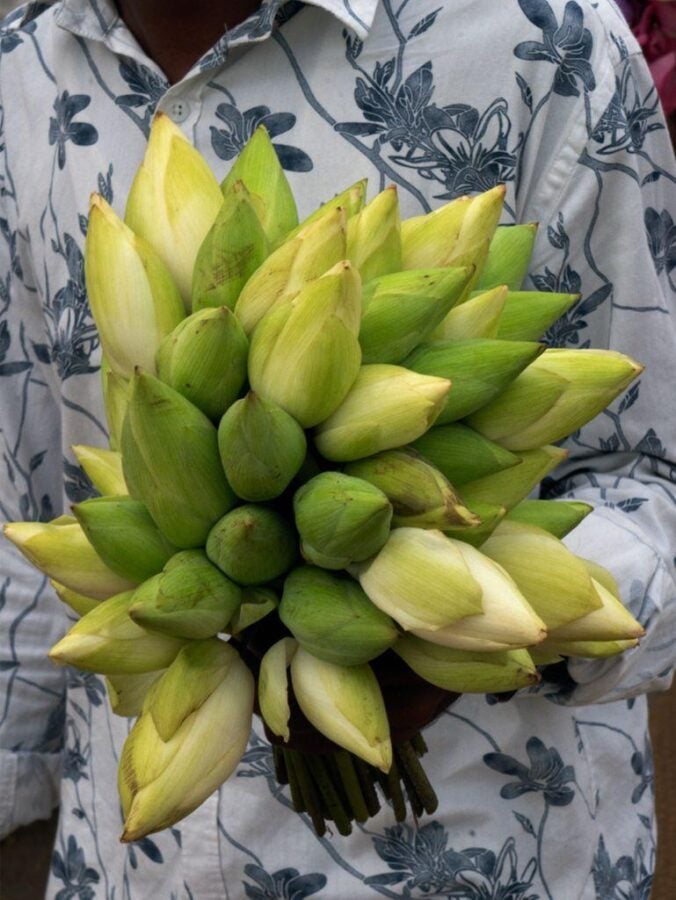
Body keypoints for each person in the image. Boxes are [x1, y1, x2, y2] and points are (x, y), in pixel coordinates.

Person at [0, 0, 675, 896]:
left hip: (485, 861)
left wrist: (475, 623)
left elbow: (656, 477)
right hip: (123, 864)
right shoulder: (22, 62)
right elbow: (30, 511)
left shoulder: (541, 38)